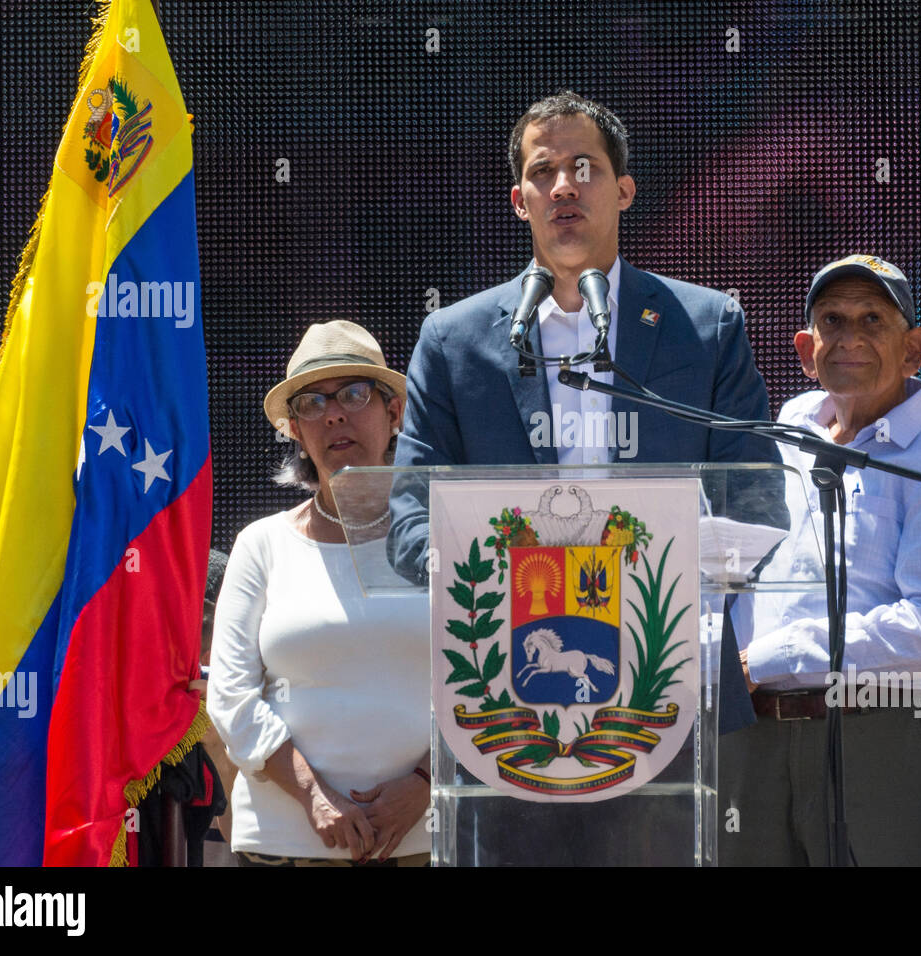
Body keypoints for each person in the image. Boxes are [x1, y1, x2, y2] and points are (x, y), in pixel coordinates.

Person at [389, 91, 786, 864]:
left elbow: (758, 499)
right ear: (519, 200)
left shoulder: (702, 327)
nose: (564, 186)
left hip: (667, 693)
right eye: (544, 172)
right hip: (497, 706)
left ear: (624, 189)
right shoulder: (456, 340)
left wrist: (663, 569)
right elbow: (407, 518)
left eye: (584, 168)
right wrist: (490, 570)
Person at [720, 254, 921, 866]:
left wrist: (768, 658)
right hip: (754, 736)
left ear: (914, 350)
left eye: (873, 320)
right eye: (832, 321)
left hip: (878, 738)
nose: (850, 338)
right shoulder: (784, 432)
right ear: (806, 349)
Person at [207, 320, 432, 866]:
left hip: (426, 841)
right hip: (284, 848)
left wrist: (425, 785)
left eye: (354, 394)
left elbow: (489, 681)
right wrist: (311, 791)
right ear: (295, 430)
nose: (334, 414)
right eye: (311, 403)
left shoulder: (447, 539)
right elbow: (231, 696)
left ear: (394, 413)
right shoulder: (261, 544)